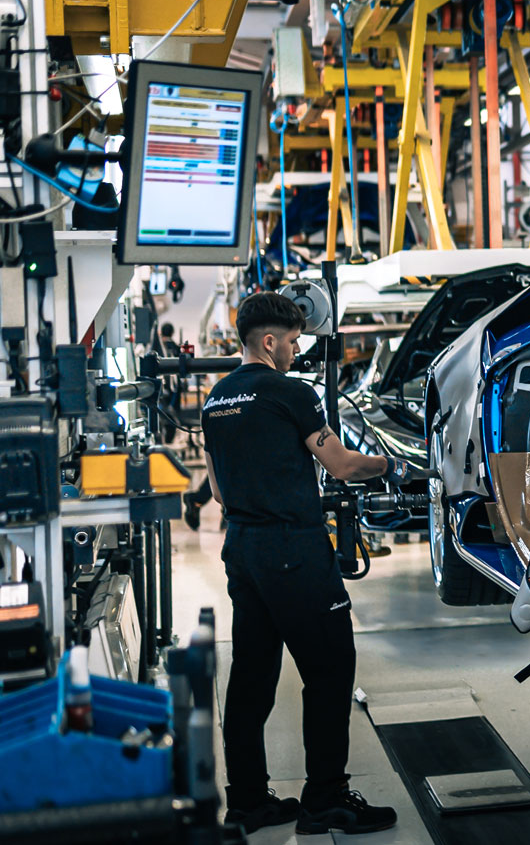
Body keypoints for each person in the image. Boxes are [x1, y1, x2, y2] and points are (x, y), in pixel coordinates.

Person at [201, 292, 409, 835]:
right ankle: (326, 799)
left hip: (243, 550)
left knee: (250, 677)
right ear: (268, 342)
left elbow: (219, 492)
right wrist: (394, 465)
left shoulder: (214, 399)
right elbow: (340, 464)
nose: (296, 351)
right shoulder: (289, 393)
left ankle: (248, 801)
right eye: (292, 342)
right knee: (331, 667)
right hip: (293, 550)